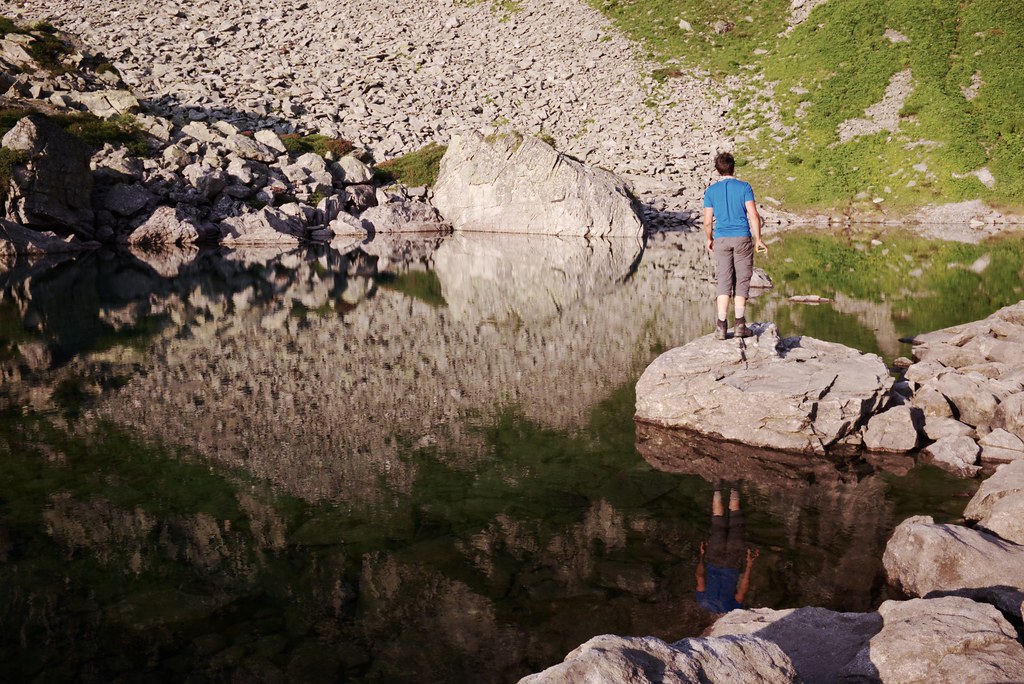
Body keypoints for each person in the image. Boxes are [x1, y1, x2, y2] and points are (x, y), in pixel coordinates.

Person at [702, 152, 768, 340]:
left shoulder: (711, 191)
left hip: (721, 239)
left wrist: (709, 238)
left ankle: (721, 326)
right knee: (742, 280)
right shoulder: (744, 187)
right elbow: (753, 215)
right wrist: (759, 239)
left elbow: (707, 222)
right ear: (733, 167)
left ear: (717, 169)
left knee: (723, 281)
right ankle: (740, 324)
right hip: (742, 238)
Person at [695, 482, 759, 615]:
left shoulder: (731, 611)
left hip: (732, 563)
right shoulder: (702, 603)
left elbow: (742, 590)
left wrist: (749, 566)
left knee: (736, 524)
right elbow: (700, 578)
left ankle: (735, 487)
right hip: (713, 559)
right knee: (717, 522)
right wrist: (702, 556)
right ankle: (717, 488)